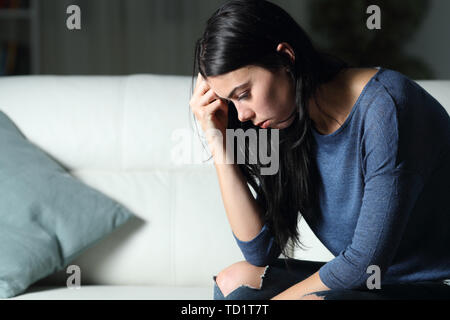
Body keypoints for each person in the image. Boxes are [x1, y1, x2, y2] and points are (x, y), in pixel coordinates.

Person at [189, 0, 450, 300]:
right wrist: (217, 139)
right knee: (234, 281)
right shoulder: (286, 123)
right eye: (231, 101)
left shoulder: (385, 110)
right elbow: (260, 250)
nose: (242, 114)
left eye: (244, 94)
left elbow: (365, 264)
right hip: (371, 285)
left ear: (286, 58)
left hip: (432, 284)